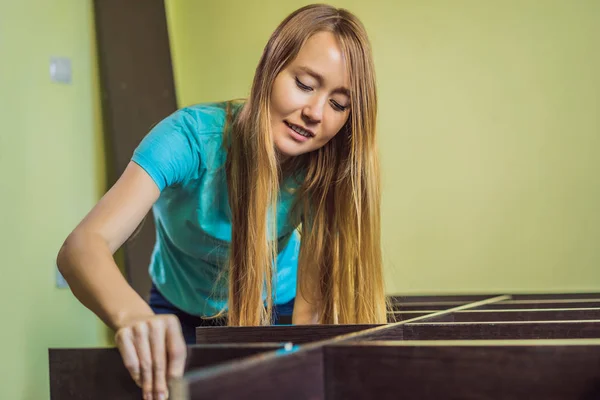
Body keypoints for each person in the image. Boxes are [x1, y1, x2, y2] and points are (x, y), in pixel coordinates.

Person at [56, 3, 387, 400]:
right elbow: (82, 247)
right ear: (270, 68)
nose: (315, 112)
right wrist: (132, 317)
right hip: (176, 306)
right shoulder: (187, 140)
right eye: (304, 83)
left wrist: (299, 363)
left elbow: (309, 305)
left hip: (275, 306)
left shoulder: (320, 166)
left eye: (338, 104)